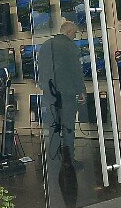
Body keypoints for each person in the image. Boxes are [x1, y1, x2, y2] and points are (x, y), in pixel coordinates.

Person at [36, 21, 87, 165]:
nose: (75, 36)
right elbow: (76, 71)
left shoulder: (46, 45)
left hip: (49, 93)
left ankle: (54, 159)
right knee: (68, 127)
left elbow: (40, 69)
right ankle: (69, 161)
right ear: (69, 32)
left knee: (53, 126)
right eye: (74, 33)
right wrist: (81, 91)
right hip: (67, 94)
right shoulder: (70, 46)